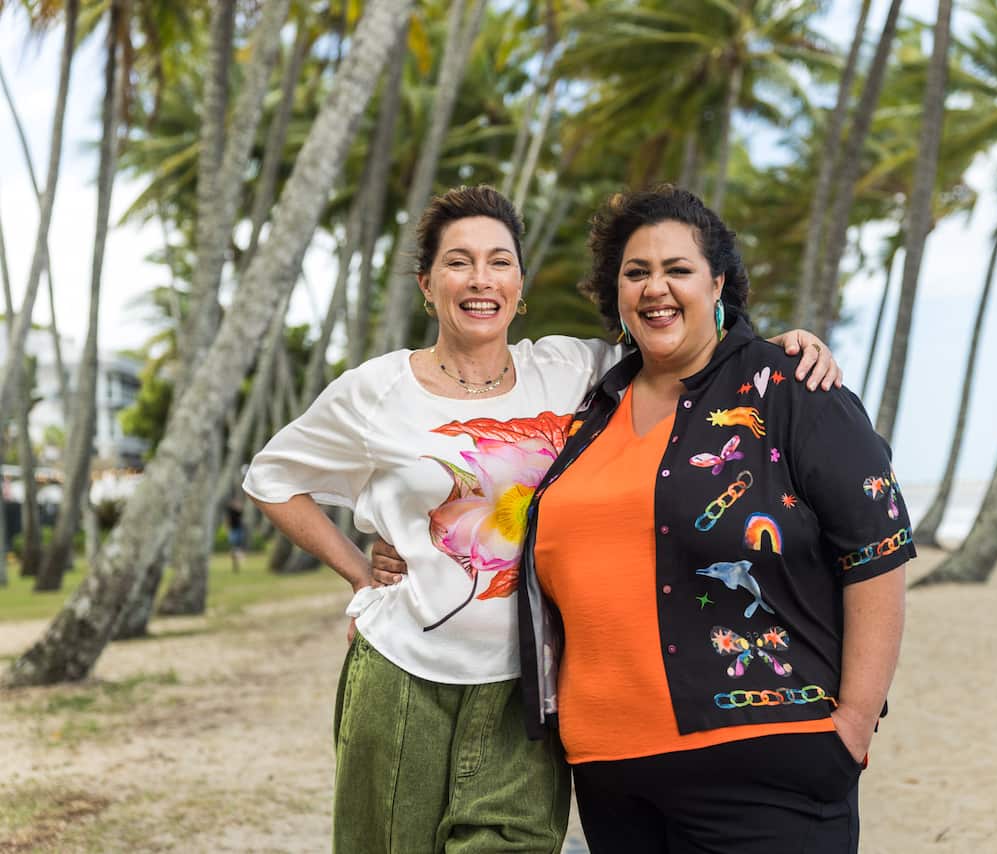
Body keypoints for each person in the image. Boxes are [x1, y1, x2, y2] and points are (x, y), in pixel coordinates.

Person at [243, 184, 841, 853]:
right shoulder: (377, 391)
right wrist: (358, 573)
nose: (480, 279)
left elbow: (687, 341)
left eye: (499, 262)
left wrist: (777, 347)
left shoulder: (572, 369)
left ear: (520, 286)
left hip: (529, 690)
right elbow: (272, 479)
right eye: (458, 262)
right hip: (403, 670)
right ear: (426, 283)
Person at [516, 186, 913, 852]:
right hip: (612, 777)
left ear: (718, 282)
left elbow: (878, 550)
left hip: (769, 770)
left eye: (678, 270)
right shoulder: (590, 413)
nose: (654, 289)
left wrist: (853, 724)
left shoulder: (788, 386)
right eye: (635, 273)